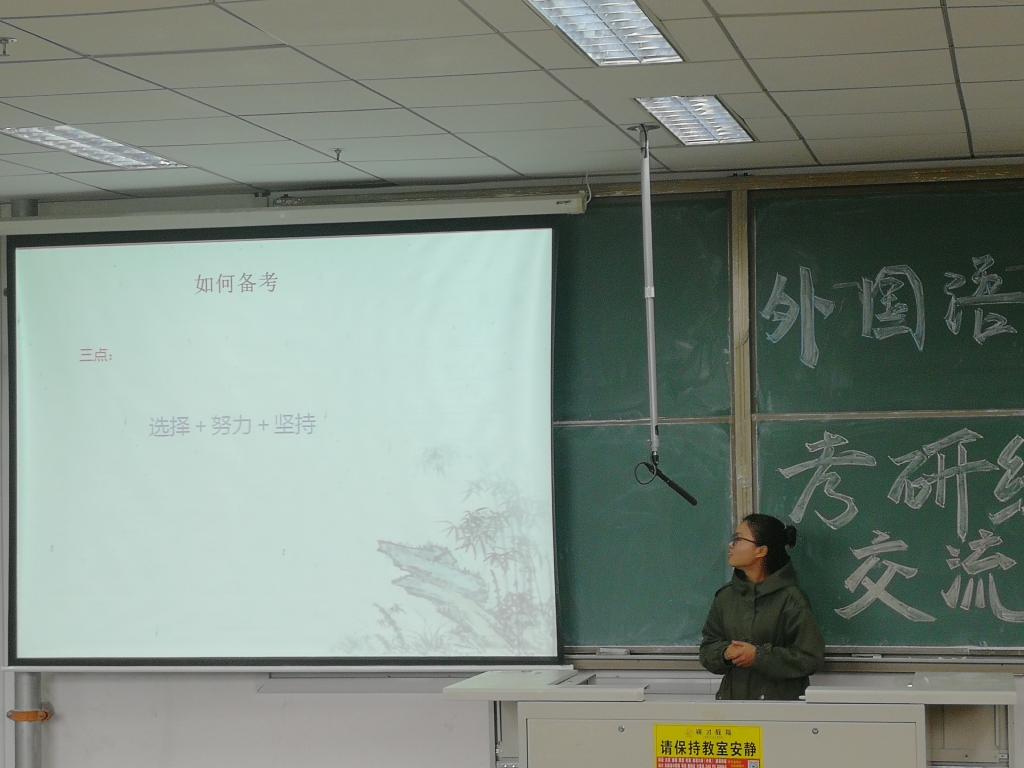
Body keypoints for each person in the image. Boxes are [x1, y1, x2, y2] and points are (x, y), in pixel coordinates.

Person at [699, 513, 825, 700]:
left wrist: (759, 656)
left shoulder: (791, 599)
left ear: (761, 551)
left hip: (779, 707)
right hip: (733, 704)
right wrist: (725, 653)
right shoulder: (726, 597)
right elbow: (707, 648)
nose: (731, 545)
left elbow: (810, 658)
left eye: (738, 539)